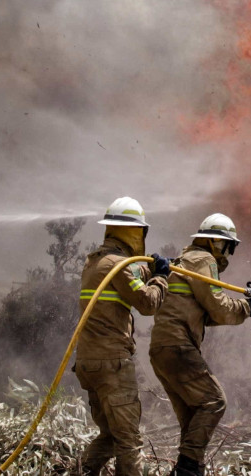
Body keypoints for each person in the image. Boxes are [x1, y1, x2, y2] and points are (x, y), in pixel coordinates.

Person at [149, 213, 251, 476]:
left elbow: (204, 315)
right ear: (218, 244)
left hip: (162, 350)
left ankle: (192, 469)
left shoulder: (185, 261)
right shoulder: (203, 259)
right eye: (227, 246)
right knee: (214, 401)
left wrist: (248, 308)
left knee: (193, 420)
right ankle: (187, 470)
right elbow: (218, 308)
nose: (227, 253)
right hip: (179, 347)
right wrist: (248, 308)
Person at [74, 196, 171, 476]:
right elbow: (148, 304)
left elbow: (125, 274)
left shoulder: (95, 262)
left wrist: (150, 268)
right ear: (134, 231)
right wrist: (160, 277)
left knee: (109, 436)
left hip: (89, 363)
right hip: (112, 364)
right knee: (128, 441)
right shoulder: (119, 266)